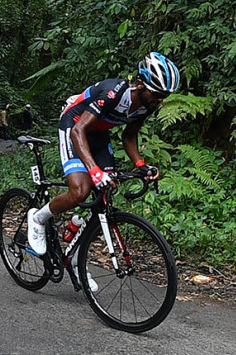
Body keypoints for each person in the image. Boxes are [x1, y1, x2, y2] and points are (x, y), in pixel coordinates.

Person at [27, 52, 179, 289]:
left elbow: (129, 136)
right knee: (80, 190)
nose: (159, 101)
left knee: (106, 194)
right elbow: (79, 132)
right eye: (157, 94)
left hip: (98, 133)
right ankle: (38, 218)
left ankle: (77, 255)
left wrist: (141, 165)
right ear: (140, 84)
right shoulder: (114, 91)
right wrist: (94, 170)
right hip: (75, 125)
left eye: (164, 97)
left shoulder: (146, 105)